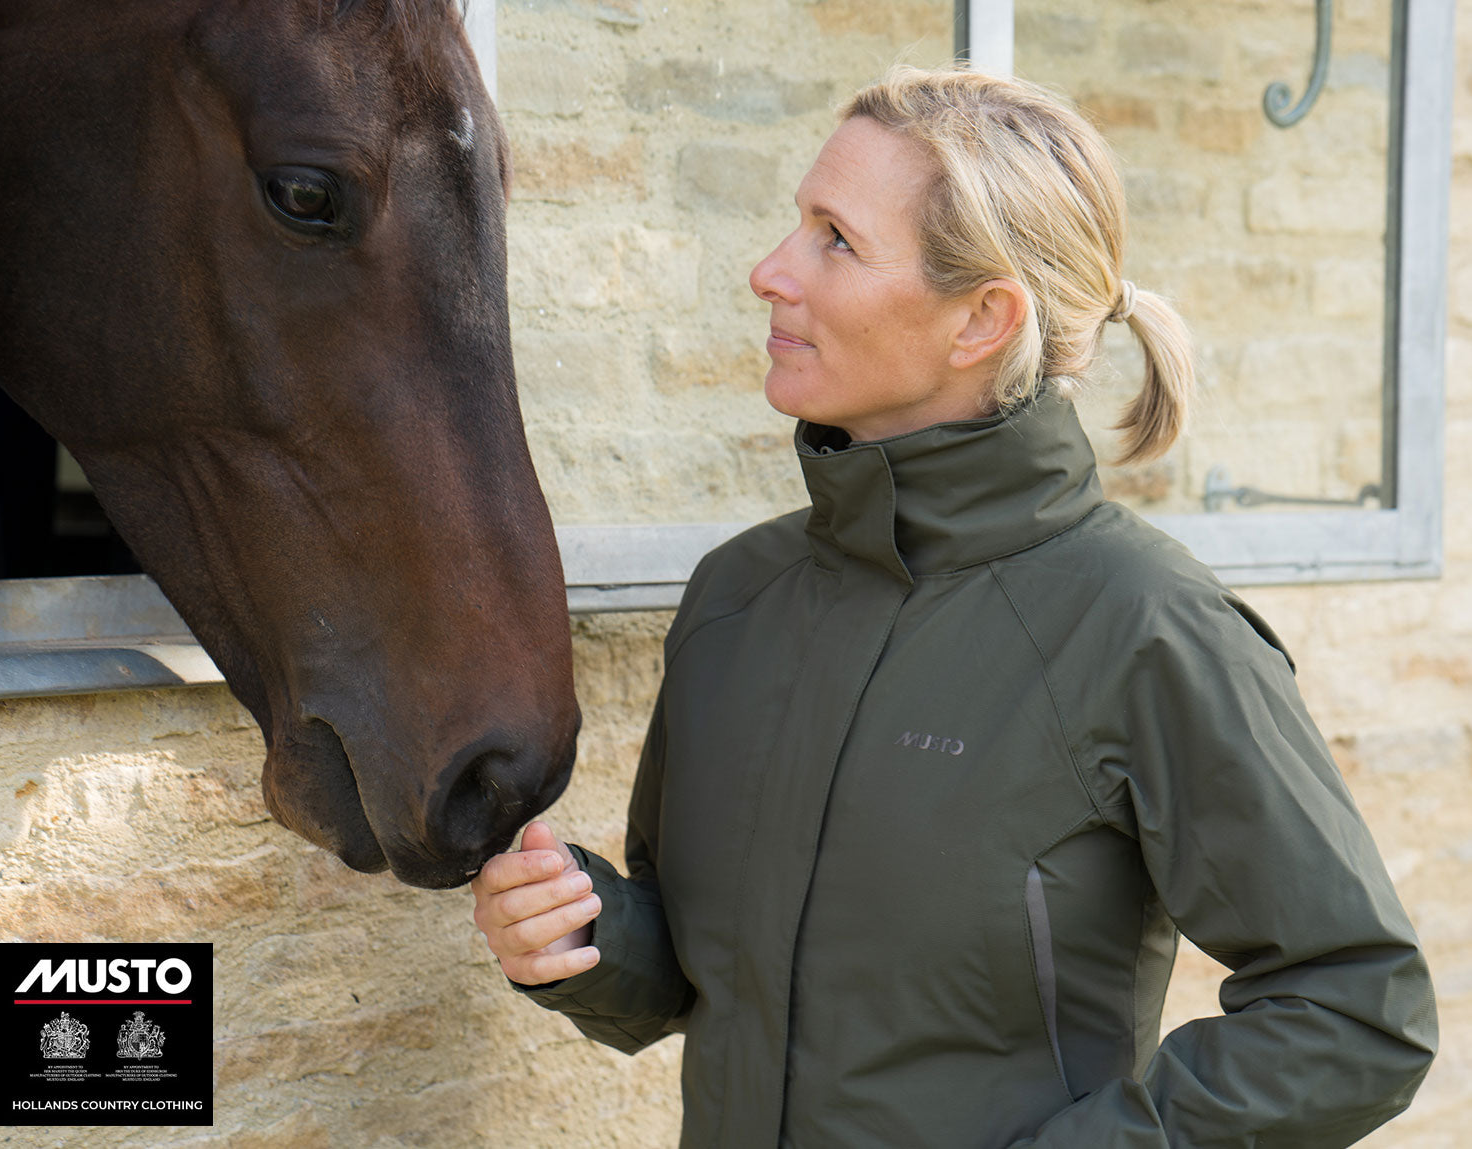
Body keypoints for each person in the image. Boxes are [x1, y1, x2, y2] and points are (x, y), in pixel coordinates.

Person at [472, 66, 1437, 1147]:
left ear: (981, 318)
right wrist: (586, 935)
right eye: (796, 224)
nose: (770, 271)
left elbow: (1355, 1013)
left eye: (835, 238)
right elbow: (703, 977)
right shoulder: (738, 599)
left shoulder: (1147, 628)